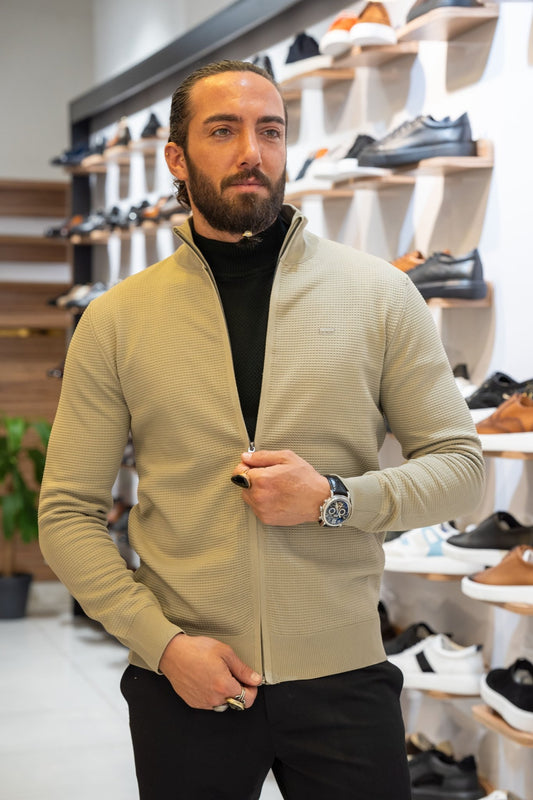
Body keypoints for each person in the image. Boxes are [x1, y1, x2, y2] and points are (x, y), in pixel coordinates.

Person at [39, 59, 485, 799]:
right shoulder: (115, 321)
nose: (253, 152)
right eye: (224, 131)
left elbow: (461, 467)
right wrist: (163, 645)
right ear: (176, 158)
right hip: (185, 680)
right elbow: (67, 513)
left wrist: (334, 498)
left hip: (344, 677)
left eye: (270, 131)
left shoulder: (380, 295)